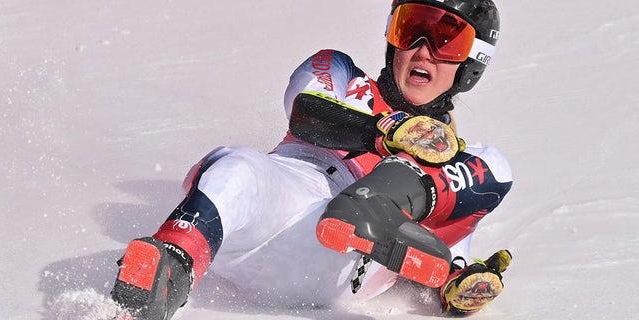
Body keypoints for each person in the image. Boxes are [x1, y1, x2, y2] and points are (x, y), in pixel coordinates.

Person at [110, 0, 513, 319]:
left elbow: (449, 240)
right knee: (238, 164)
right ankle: (168, 272)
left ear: (472, 64)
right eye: (410, 28)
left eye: (447, 40)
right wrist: (386, 131)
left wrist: (459, 287)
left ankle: (372, 208)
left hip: (340, 265)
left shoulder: (455, 163)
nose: (422, 49)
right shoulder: (340, 73)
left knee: (492, 163)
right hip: (274, 208)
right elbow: (307, 113)